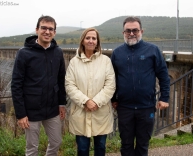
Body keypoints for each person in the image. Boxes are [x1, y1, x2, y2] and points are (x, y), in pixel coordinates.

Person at [111, 16, 170, 156]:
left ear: (141, 31)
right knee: (126, 144)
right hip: (124, 108)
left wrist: (165, 97)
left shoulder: (153, 50)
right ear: (123, 33)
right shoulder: (117, 53)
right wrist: (113, 98)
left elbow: (163, 75)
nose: (131, 33)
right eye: (128, 31)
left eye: (135, 30)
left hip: (146, 107)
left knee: (143, 145)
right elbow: (111, 79)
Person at [11, 15, 66, 156]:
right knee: (32, 148)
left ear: (54, 32)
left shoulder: (58, 52)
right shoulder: (24, 53)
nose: (47, 32)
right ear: (37, 30)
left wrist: (62, 104)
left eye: (51, 29)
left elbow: (61, 80)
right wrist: (21, 114)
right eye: (44, 28)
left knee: (56, 142)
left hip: (52, 108)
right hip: (31, 110)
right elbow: (16, 85)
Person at [65, 28, 116, 156]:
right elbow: (69, 85)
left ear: (97, 42)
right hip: (81, 112)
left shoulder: (105, 61)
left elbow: (110, 86)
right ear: (82, 41)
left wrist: (95, 102)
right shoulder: (74, 62)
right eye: (88, 38)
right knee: (82, 149)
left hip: (101, 112)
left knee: (100, 147)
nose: (91, 41)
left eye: (94, 38)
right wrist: (86, 101)